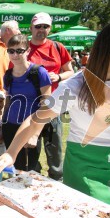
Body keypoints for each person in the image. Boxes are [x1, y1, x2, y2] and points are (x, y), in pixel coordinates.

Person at [0, 18, 110, 210]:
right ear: (106, 53)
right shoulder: (75, 86)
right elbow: (37, 118)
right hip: (85, 172)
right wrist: (11, 153)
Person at [27, 12, 74, 180]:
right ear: (31, 28)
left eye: (45, 26)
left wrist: (59, 77)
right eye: (38, 26)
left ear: (50, 28)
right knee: (31, 144)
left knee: (54, 144)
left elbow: (70, 71)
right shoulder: (23, 48)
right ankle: (33, 175)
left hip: (53, 103)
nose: (41, 30)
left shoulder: (57, 47)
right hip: (30, 104)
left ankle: (56, 177)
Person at [2, 34, 52, 172]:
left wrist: (35, 134)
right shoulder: (8, 75)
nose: (15, 55)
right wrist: (2, 125)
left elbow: (47, 105)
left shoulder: (39, 72)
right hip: (10, 126)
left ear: (28, 51)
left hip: (31, 127)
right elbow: (8, 100)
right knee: (15, 168)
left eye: (19, 51)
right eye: (11, 51)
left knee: (31, 169)